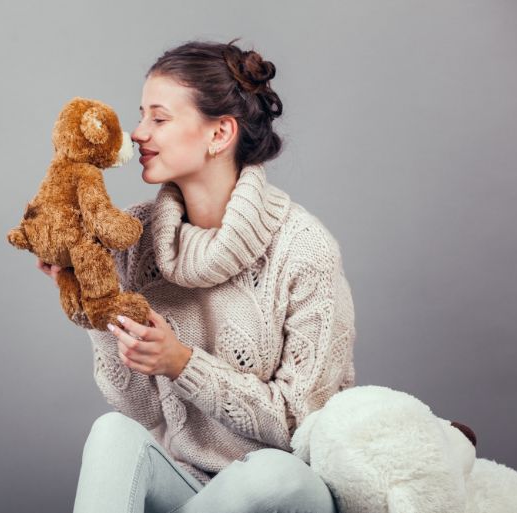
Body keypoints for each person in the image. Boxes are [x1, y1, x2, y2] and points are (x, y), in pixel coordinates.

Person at [38, 38, 356, 513]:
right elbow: (140, 412)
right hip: (188, 487)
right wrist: (94, 302)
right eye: (141, 115)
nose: (138, 133)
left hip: (287, 490)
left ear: (219, 134)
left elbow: (302, 421)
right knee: (112, 433)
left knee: (273, 476)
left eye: (159, 119)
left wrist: (182, 363)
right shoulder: (133, 237)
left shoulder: (302, 248)